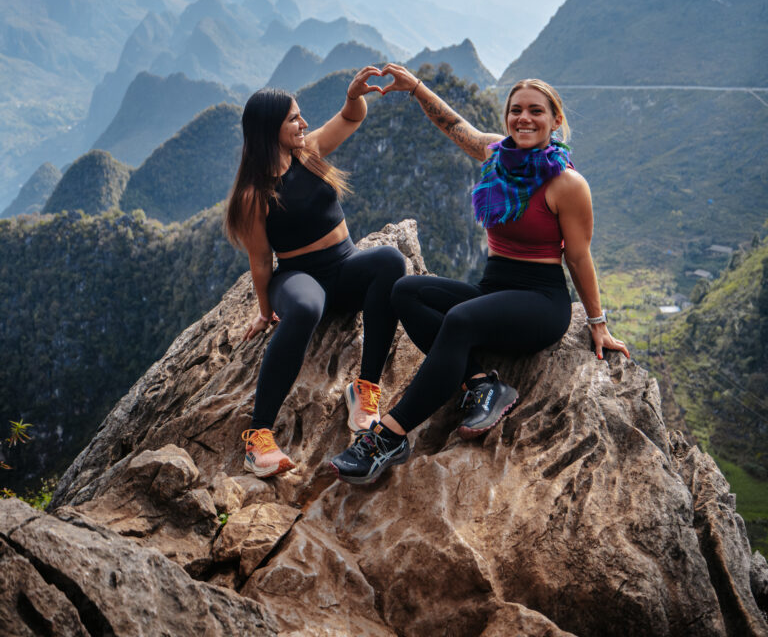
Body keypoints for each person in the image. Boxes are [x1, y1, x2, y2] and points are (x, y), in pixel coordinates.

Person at [330, 66, 630, 485]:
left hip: (540, 302)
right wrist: (414, 87)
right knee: (405, 291)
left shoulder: (568, 184)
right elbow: (455, 126)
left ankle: (388, 438)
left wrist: (597, 324)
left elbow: (578, 258)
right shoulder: (495, 153)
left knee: (460, 320)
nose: (524, 118)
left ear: (556, 121)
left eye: (536, 111)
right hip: (493, 289)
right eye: (516, 110)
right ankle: (479, 384)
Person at [225, 67, 406, 478]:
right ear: (271, 129)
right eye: (293, 118)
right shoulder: (255, 195)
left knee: (391, 261)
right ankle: (259, 438)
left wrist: (353, 94)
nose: (303, 123)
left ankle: (365, 390)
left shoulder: (310, 151)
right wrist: (264, 309)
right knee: (305, 308)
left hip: (345, 267)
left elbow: (352, 117)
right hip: (299, 277)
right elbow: (260, 261)